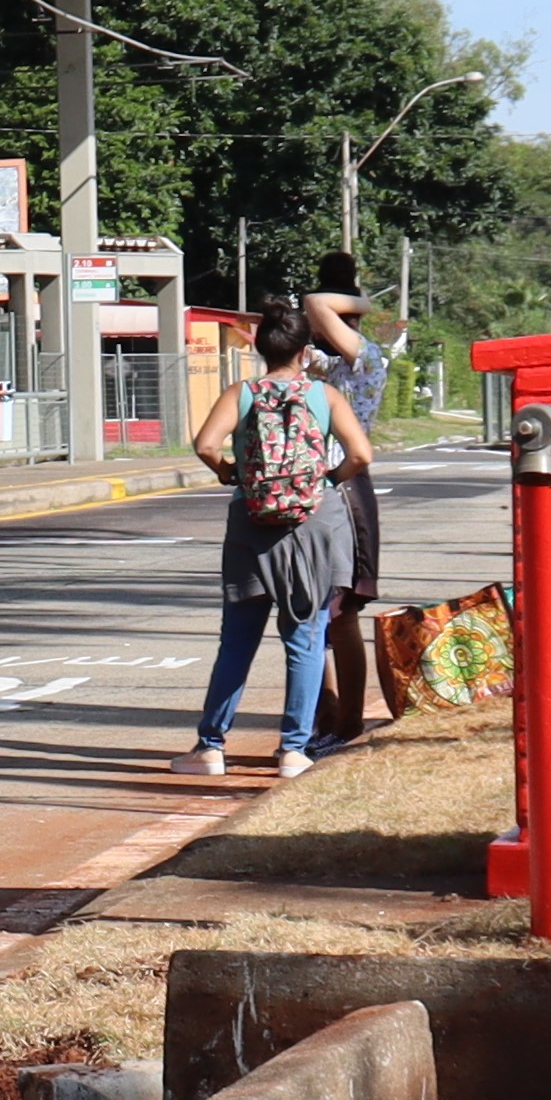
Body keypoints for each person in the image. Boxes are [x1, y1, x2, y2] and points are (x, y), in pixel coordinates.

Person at [186, 303, 372, 780]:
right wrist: (327, 480)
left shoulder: (241, 393)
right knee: (305, 637)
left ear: (261, 348)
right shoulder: (324, 395)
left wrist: (229, 472)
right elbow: (361, 454)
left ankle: (210, 748)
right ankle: (293, 749)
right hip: (312, 526)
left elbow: (206, 444)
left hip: (252, 525)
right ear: (306, 352)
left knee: (237, 642)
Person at [300, 255, 400, 745]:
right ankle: (324, 716)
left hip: (344, 483)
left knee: (341, 615)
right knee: (307, 613)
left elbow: (316, 304)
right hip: (304, 487)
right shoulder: (315, 364)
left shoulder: (366, 359)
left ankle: (349, 723)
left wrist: (350, 302)